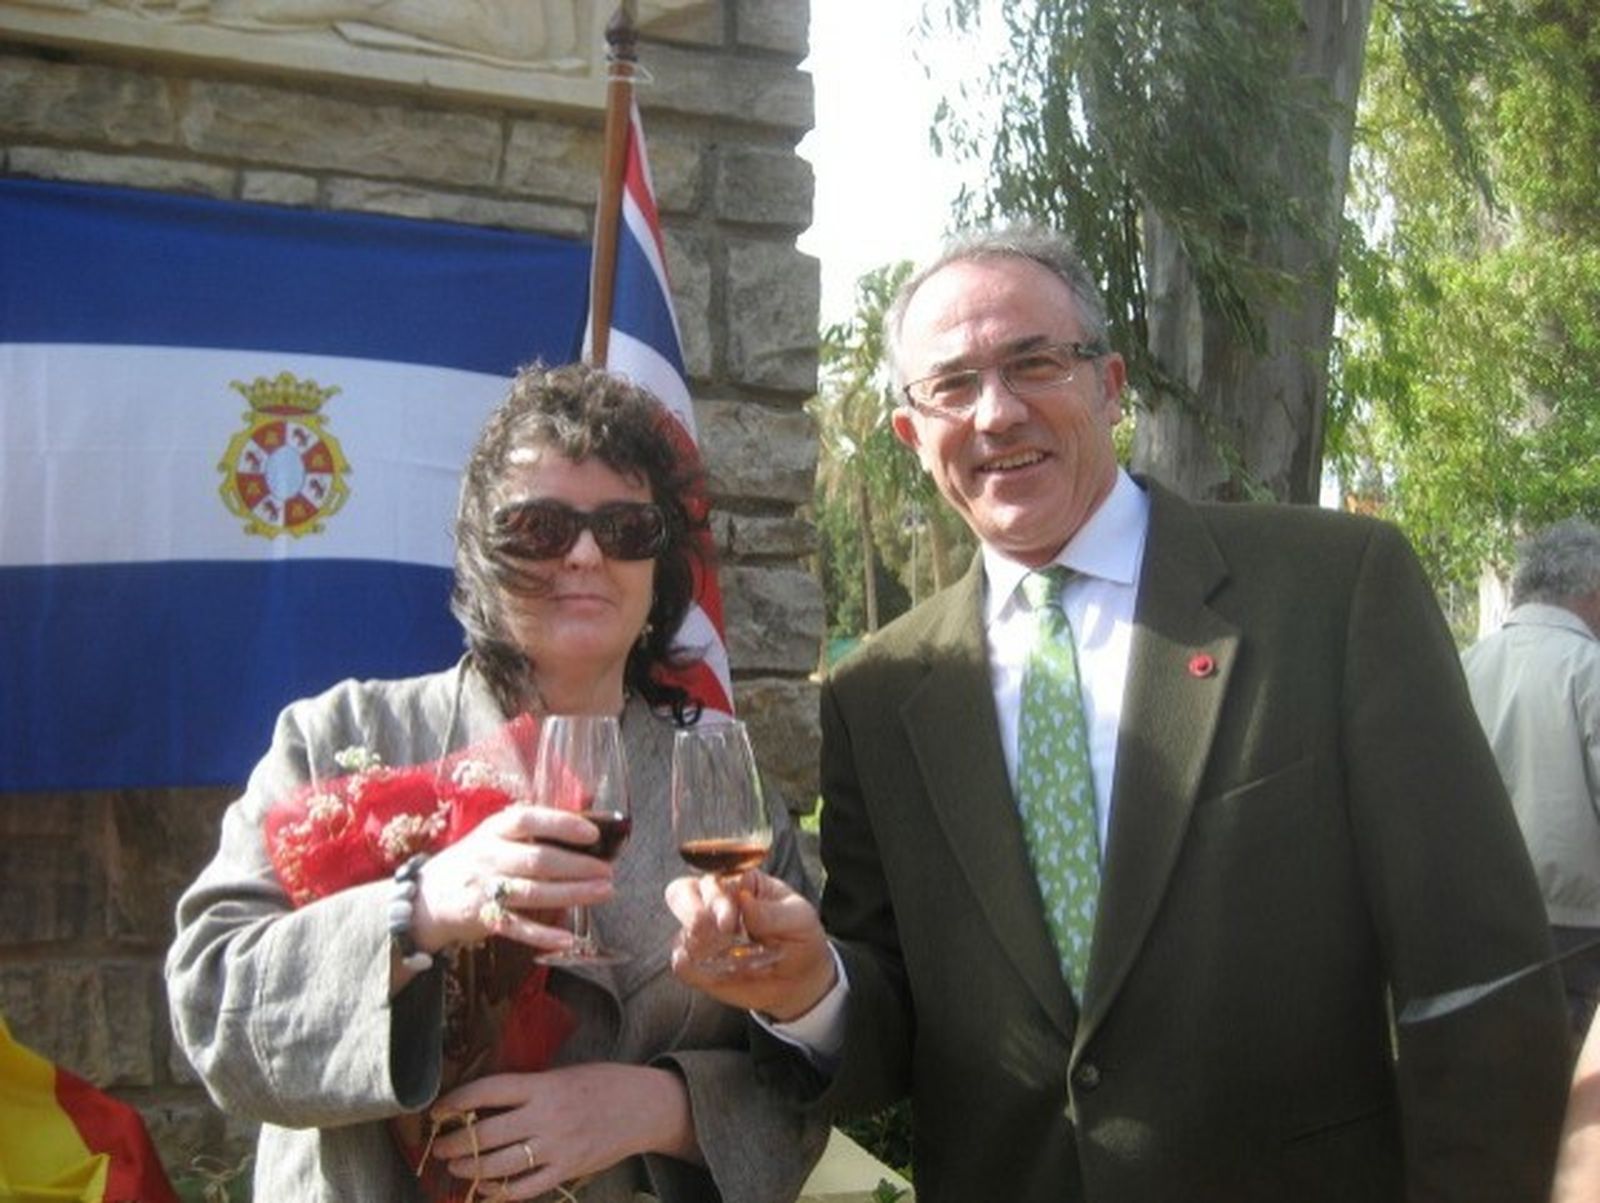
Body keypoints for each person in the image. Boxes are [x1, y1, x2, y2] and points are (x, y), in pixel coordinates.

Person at [667, 226, 1572, 1203]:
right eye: (953, 386)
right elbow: (897, 1028)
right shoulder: (879, 693)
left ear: (1109, 386)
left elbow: (1477, 977)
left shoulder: (1333, 590)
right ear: (911, 435)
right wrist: (809, 991)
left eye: (1034, 363)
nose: (996, 412)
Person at [166, 362, 825, 1202]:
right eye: (539, 526)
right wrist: (417, 909)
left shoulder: (723, 788)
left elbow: (804, 1080)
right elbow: (213, 1011)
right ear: (483, 552)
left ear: (660, 565)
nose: (585, 553)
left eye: (626, 527)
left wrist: (663, 1108)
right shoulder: (338, 738)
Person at [1463, 518, 1600, 1042]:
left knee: (1494, 1065)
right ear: (1593, 590)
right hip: (1575, 931)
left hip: (1474, 916)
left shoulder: (1464, 665)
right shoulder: (1589, 668)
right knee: (1567, 1073)